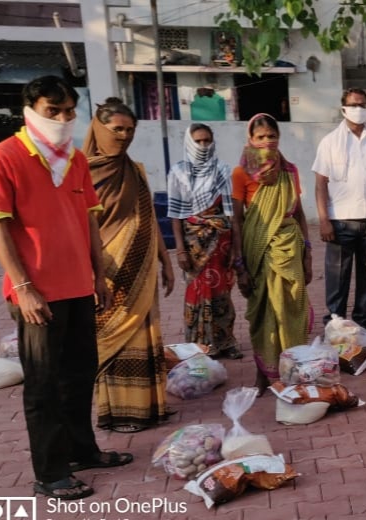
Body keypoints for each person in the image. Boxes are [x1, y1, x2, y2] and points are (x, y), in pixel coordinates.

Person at [0, 75, 130, 500]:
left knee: (80, 375)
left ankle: (83, 451)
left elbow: (88, 220)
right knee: (43, 384)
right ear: (30, 109)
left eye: (69, 111)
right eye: (54, 111)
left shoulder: (74, 159)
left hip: (79, 287)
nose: (64, 118)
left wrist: (98, 274)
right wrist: (25, 286)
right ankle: (49, 473)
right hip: (36, 293)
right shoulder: (1, 157)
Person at [85, 98, 174, 433]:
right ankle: (119, 413)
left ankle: (151, 408)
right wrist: (93, 274)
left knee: (146, 335)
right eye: (117, 129)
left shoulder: (135, 170)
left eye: (130, 130)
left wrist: (166, 261)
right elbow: (79, 227)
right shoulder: (80, 170)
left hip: (141, 268)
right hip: (106, 271)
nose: (123, 135)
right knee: (113, 339)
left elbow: (147, 217)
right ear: (99, 126)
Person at [232, 113, 313, 392]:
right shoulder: (241, 173)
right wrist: (240, 264)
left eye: (271, 136)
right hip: (258, 252)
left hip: (289, 249)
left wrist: (308, 252)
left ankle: (292, 369)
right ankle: (262, 373)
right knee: (264, 312)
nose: (267, 142)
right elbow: (237, 220)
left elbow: (299, 213)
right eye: (260, 137)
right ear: (251, 140)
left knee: (291, 308)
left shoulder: (289, 170)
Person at [313, 89, 366, 332]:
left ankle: (364, 319)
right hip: (340, 221)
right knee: (338, 275)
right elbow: (320, 184)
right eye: (353, 104)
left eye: (362, 104)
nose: (358, 108)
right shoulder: (330, 142)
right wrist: (324, 220)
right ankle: (335, 322)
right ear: (344, 109)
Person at [168, 123, 242, 360]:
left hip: (220, 242)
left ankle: (226, 342)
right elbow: (176, 214)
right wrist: (180, 250)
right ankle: (198, 345)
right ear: (189, 143)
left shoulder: (222, 170)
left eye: (207, 141)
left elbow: (232, 214)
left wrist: (235, 249)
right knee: (196, 292)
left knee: (222, 294)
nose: (203, 146)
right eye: (198, 141)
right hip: (193, 245)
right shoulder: (178, 172)